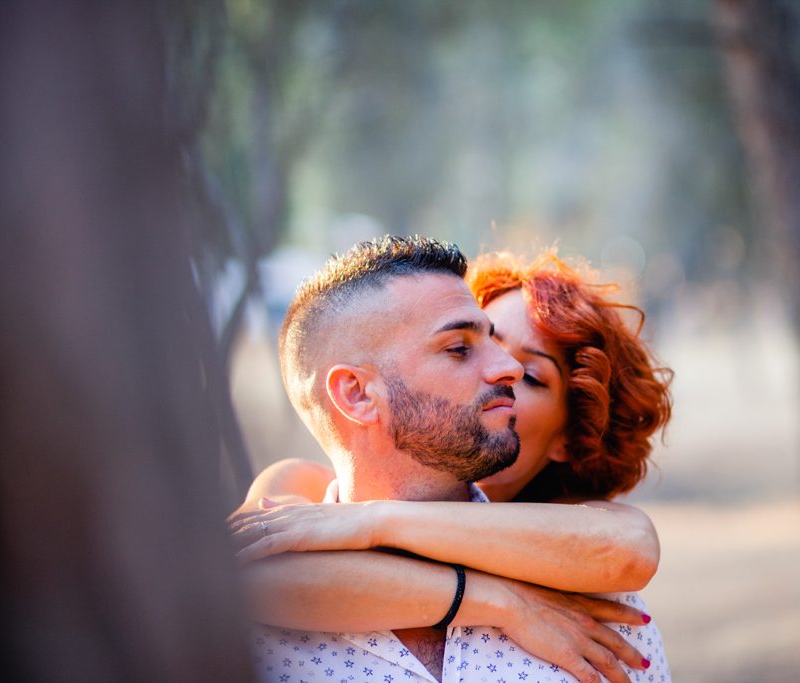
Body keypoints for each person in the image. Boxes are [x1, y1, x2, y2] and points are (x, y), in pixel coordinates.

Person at [230, 238, 673, 683]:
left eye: (534, 375)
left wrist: (376, 521)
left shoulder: (598, 613)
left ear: (568, 442)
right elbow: (240, 572)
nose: (507, 370)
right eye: (462, 347)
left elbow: (629, 546)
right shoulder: (257, 620)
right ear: (357, 393)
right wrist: (499, 600)